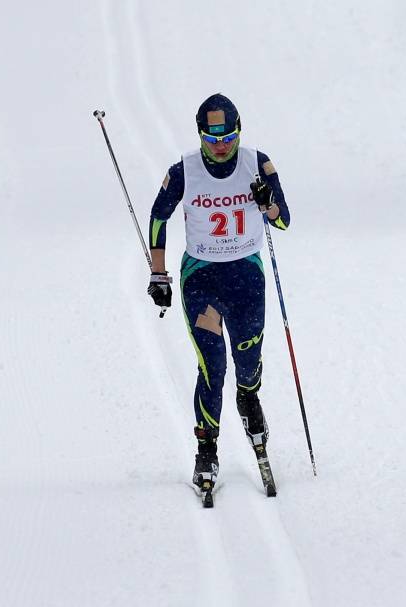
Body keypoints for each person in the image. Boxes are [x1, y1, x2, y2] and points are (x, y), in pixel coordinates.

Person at [146, 93, 291, 499]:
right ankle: (206, 449)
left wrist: (269, 206)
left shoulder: (257, 164)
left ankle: (249, 398)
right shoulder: (184, 172)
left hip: (247, 278)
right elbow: (158, 215)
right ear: (200, 137)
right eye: (212, 140)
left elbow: (284, 222)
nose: (222, 146)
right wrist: (158, 273)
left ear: (238, 131)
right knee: (213, 365)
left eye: (228, 137)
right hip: (202, 279)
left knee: (247, 365)